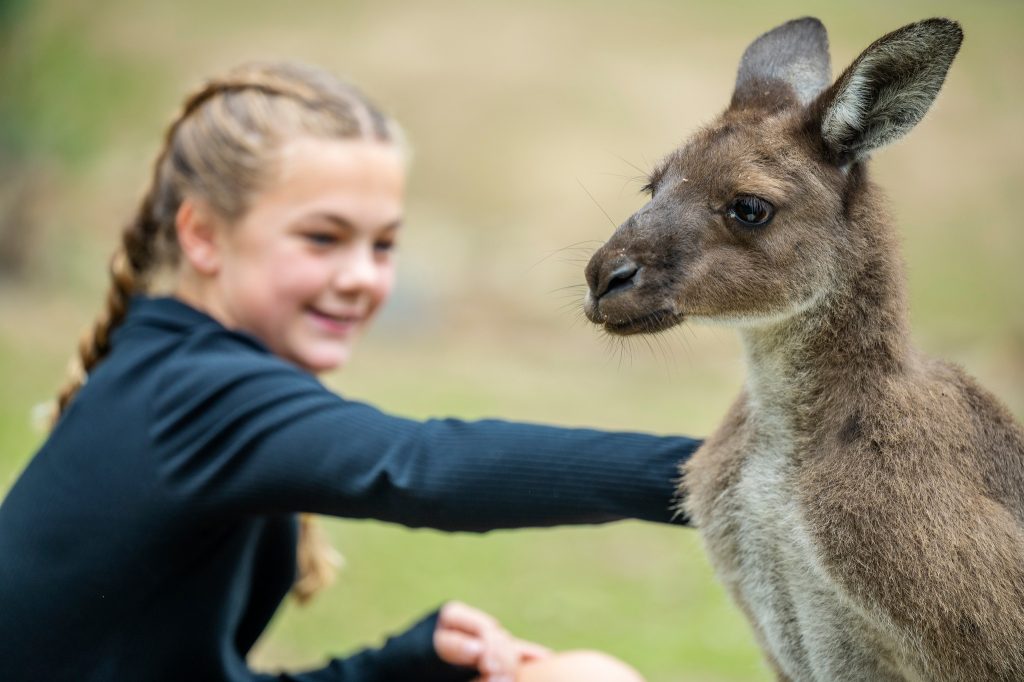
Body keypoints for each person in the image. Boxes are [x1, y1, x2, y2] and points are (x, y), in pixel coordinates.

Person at [0, 61, 700, 682]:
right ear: (203, 236)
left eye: (384, 244)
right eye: (322, 238)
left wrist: (403, 662)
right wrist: (714, 474)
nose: (362, 278)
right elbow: (423, 466)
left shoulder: (172, 368)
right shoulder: (194, 391)